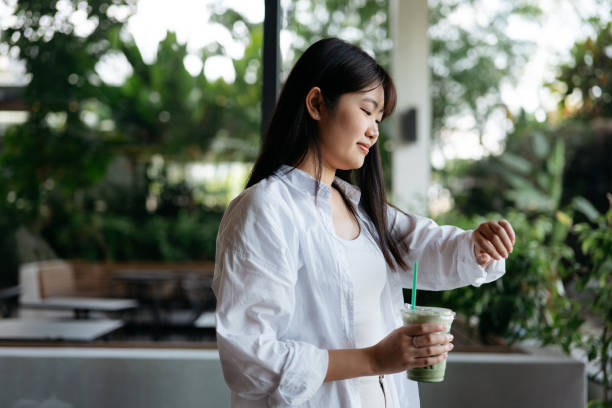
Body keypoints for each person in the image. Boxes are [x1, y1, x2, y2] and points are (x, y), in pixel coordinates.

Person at [212, 37, 515, 407]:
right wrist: (375, 359)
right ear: (316, 103)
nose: (374, 130)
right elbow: (250, 359)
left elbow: (429, 248)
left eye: (378, 118)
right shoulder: (265, 209)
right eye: (367, 110)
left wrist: (478, 245)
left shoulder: (363, 210)